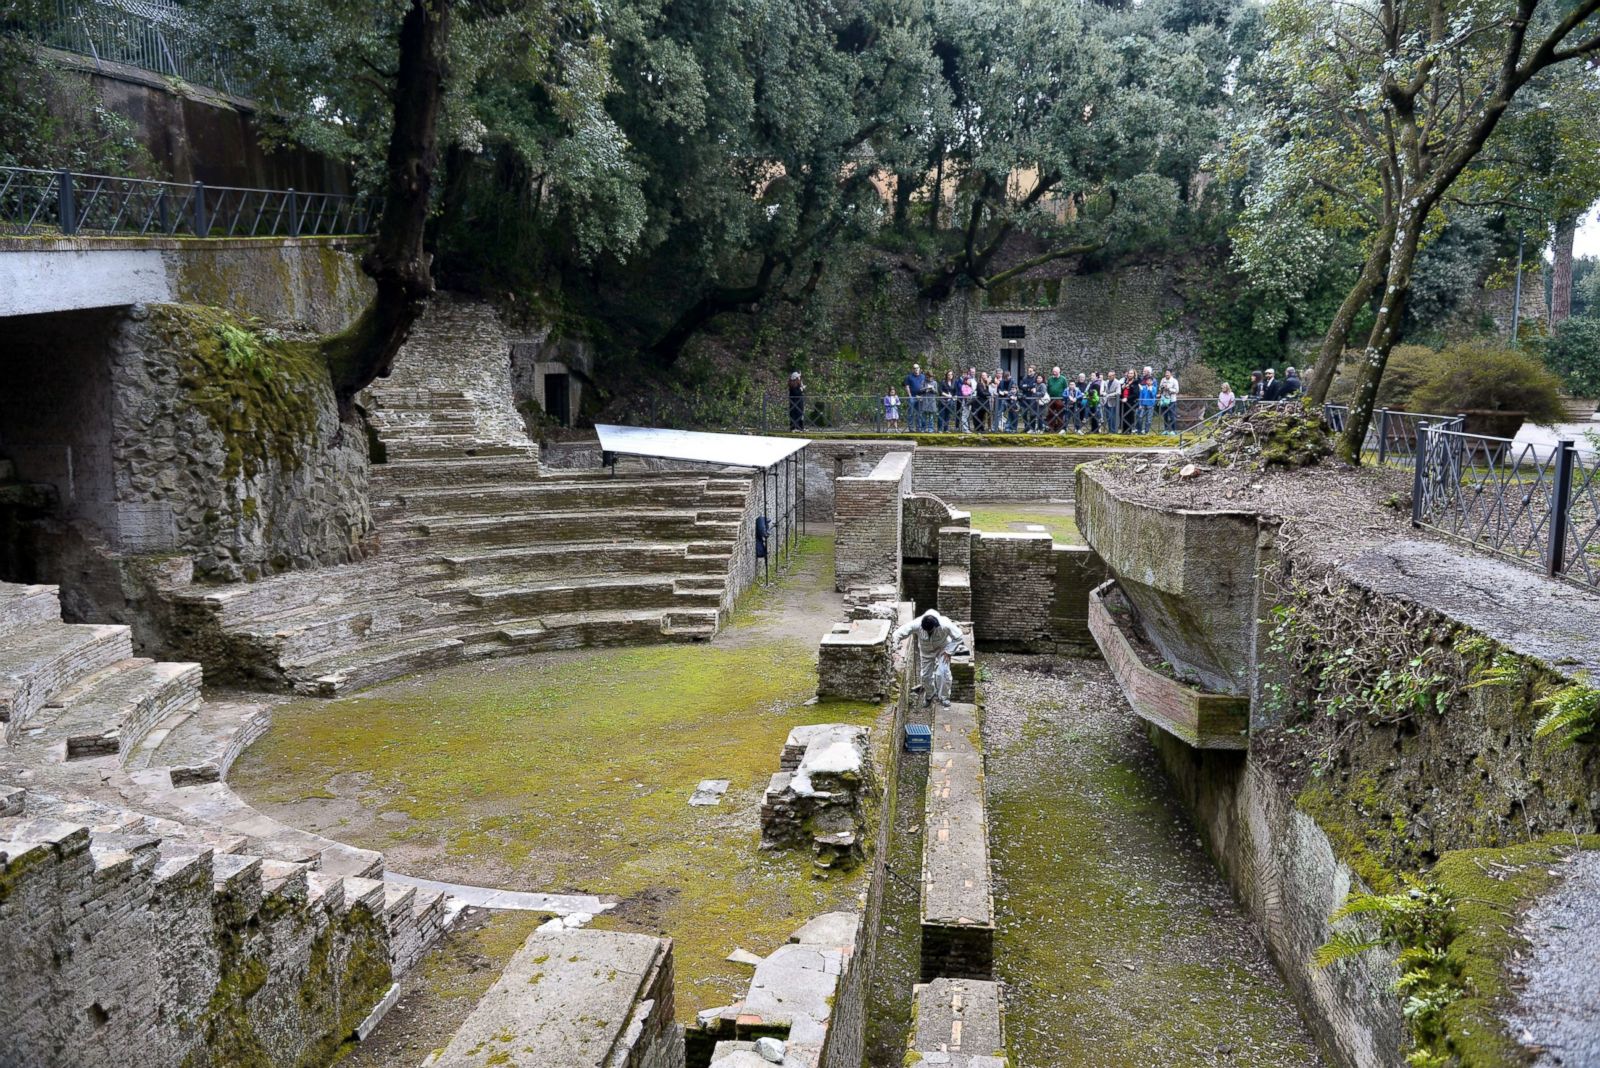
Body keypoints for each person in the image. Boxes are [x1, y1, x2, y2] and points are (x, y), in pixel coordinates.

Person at [893, 609, 965, 710]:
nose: (928, 632)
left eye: (930, 630)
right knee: (925, 676)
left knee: (943, 672)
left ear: (936, 626)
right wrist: (893, 646)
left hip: (942, 650)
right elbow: (899, 633)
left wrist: (949, 651)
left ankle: (944, 697)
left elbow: (959, 636)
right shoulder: (917, 624)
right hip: (926, 651)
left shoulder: (945, 624)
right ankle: (930, 695)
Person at [904, 362, 929, 429]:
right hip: (912, 397)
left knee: (919, 413)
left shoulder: (923, 376)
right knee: (911, 413)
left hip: (921, 397)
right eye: (914, 368)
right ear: (912, 369)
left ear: (919, 368)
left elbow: (926, 385)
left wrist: (923, 395)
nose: (916, 369)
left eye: (917, 368)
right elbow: (907, 386)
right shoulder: (909, 377)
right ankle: (911, 428)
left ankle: (918, 428)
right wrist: (910, 396)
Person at [1046, 365, 1069, 430]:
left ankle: (1060, 427)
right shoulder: (1050, 379)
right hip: (1051, 398)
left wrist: (1064, 398)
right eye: (1053, 371)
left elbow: (1066, 388)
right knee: (1050, 413)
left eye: (1055, 371)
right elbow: (1048, 388)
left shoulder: (1063, 379)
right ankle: (1051, 427)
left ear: (1059, 371)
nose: (1054, 372)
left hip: (1060, 399)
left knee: (1060, 414)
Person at [1158, 368, 1180, 434]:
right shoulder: (1163, 380)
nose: (1166, 375)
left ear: (1171, 374)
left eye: (1168, 373)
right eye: (1166, 373)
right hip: (1164, 400)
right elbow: (1159, 388)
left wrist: (1169, 388)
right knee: (1165, 415)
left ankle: (1173, 430)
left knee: (1172, 415)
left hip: (1171, 400)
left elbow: (1177, 390)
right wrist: (1162, 388)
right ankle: (1166, 430)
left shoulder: (1174, 381)